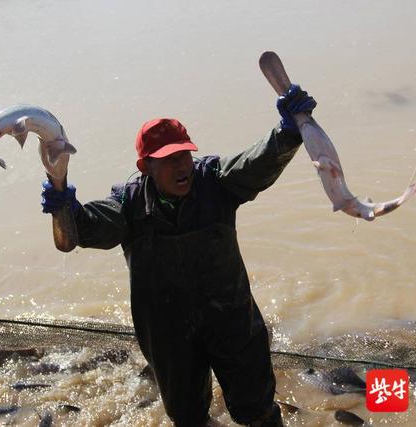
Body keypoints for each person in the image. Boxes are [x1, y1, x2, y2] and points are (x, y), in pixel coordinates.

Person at [41, 84, 316, 426]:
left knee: (257, 410)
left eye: (184, 154)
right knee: (188, 417)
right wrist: (64, 207)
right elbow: (84, 229)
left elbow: (255, 162)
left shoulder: (216, 181)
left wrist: (288, 133)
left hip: (231, 318)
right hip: (166, 331)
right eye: (169, 160)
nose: (182, 164)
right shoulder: (128, 204)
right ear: (146, 167)